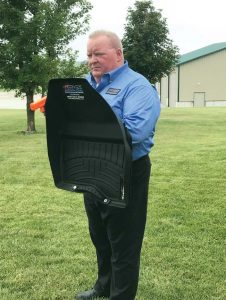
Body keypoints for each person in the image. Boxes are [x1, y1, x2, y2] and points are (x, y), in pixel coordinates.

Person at [76, 30, 160, 300]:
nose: (92, 60)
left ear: (118, 54)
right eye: (89, 54)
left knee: (124, 242)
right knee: (99, 235)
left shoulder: (137, 86)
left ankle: (120, 296)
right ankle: (104, 286)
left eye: (98, 53)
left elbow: (135, 132)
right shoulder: (86, 86)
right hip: (92, 169)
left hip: (126, 171)